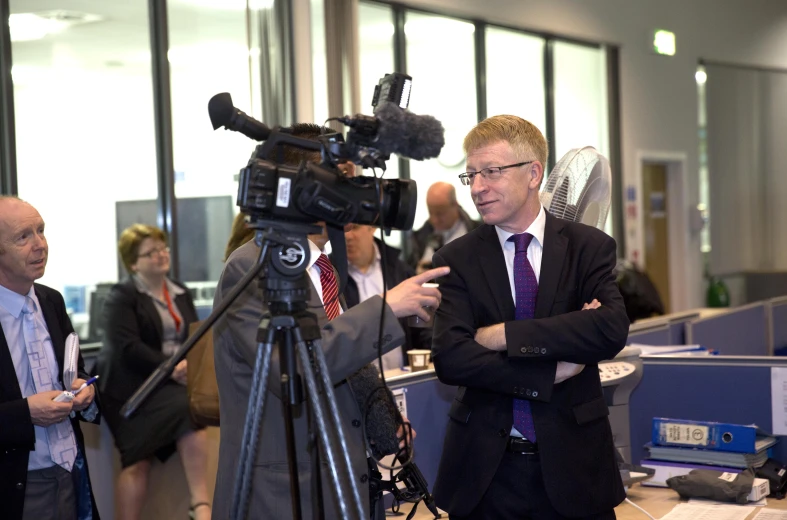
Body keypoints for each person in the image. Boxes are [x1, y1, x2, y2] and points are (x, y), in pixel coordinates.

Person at [211, 123, 449, 520]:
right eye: (343, 186)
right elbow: (297, 370)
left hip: (337, 483)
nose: (354, 201)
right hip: (283, 494)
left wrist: (383, 420)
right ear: (308, 191)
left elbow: (336, 363)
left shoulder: (320, 267)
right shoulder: (251, 268)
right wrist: (385, 308)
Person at [430, 115, 630, 520]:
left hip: (575, 469)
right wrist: (549, 372)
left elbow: (609, 329)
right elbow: (451, 358)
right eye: (472, 175)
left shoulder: (587, 247)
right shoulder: (457, 259)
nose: (477, 187)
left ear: (534, 173)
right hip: (485, 477)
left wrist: (503, 334)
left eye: (492, 172)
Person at [98, 224, 211, 520]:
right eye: (151, 253)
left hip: (169, 386)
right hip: (131, 390)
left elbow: (193, 337)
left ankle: (201, 506)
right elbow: (127, 347)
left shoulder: (181, 292)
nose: (161, 256)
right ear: (133, 263)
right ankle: (201, 507)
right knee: (137, 462)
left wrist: (188, 366)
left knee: (193, 411)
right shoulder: (122, 296)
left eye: (163, 249)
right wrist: (172, 367)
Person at [0, 196, 100, 520]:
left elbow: (75, 369)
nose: (40, 245)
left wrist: (85, 389)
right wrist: (27, 412)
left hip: (71, 469)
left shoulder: (51, 301)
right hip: (18, 479)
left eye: (41, 231)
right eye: (23, 237)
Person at [339, 223, 431, 371]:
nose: (347, 236)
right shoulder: (330, 277)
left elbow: (420, 329)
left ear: (372, 226)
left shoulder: (399, 271)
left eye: (354, 227)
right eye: (341, 229)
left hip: (402, 379)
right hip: (359, 385)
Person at [407, 181, 481, 273]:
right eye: (430, 212)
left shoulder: (478, 233)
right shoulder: (420, 236)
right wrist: (416, 273)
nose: (434, 219)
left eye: (439, 214)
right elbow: (407, 271)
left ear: (455, 205)